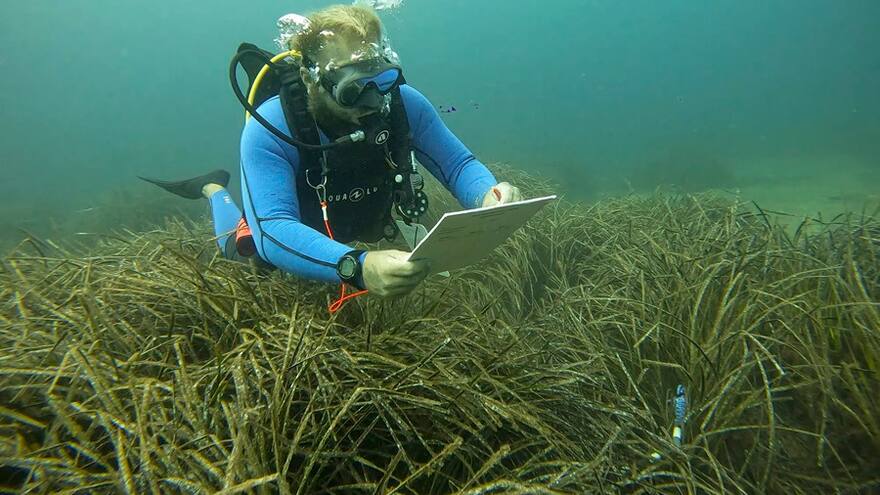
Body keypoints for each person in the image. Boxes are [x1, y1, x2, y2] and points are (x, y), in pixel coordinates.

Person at [141, 4, 521, 302]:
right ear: (312, 78)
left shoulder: (404, 104)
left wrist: (488, 194)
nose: (374, 100)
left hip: (364, 221)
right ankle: (211, 188)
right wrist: (355, 267)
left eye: (381, 77)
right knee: (238, 250)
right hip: (299, 225)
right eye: (353, 86)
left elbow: (458, 165)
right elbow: (273, 230)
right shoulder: (271, 128)